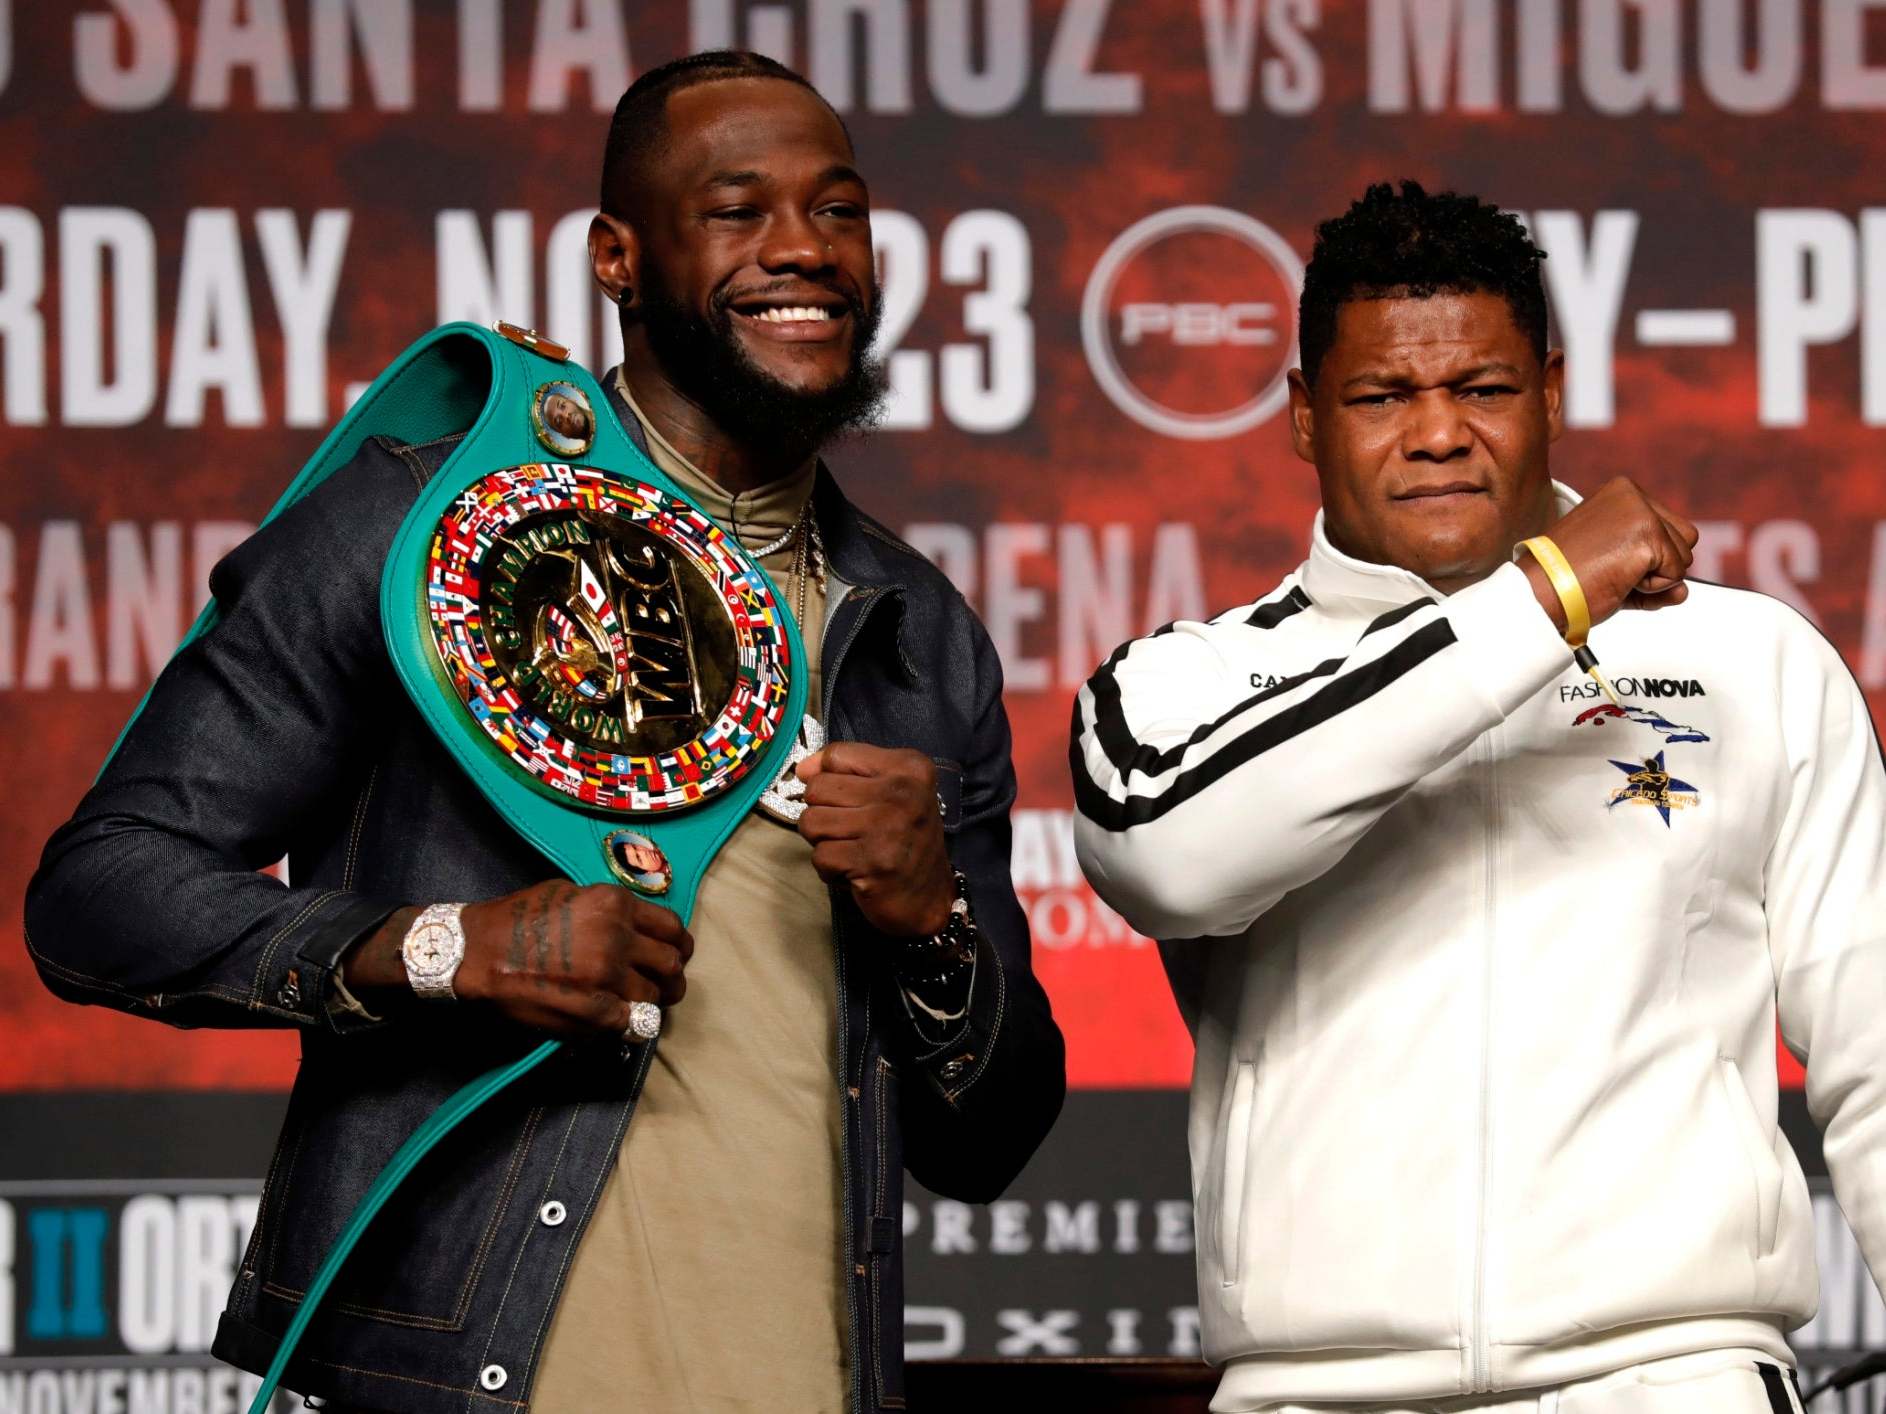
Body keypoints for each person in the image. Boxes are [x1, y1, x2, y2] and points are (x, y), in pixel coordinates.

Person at [27, 50, 1064, 1414]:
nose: (802, 251)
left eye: (838, 210)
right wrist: (449, 948)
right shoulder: (419, 526)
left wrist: (931, 922)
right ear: (616, 258)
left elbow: (990, 1139)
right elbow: (99, 893)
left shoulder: (914, 633)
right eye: (737, 211)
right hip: (473, 1384)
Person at [1071, 180, 1881, 1414]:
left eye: (1483, 391)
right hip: (1315, 1388)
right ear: (1302, 416)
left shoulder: (1750, 661)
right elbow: (1165, 858)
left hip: (1670, 1376)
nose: (1437, 433)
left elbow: (1874, 1053)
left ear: (1550, 394)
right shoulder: (1192, 684)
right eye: (1382, 396)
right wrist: (1547, 600)